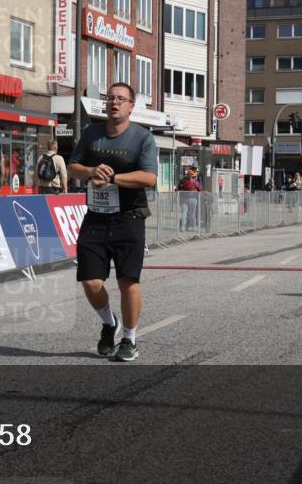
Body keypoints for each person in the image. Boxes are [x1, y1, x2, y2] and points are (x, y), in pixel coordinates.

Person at [68, 82, 158, 362]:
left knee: (127, 281)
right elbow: (73, 167)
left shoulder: (142, 137)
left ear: (131, 106)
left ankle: (130, 339)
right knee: (90, 281)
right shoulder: (92, 133)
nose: (114, 102)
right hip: (96, 216)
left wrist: (113, 178)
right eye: (110, 98)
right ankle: (109, 323)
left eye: (121, 99)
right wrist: (92, 169)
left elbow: (150, 178)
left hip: (129, 218)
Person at [177, 166, 202, 233]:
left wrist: (194, 182)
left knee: (192, 214)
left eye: (191, 173)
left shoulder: (197, 180)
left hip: (193, 199)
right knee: (183, 214)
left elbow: (200, 188)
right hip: (184, 199)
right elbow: (179, 189)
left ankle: (193, 226)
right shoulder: (183, 180)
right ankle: (183, 226)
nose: (190, 175)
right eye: (189, 174)